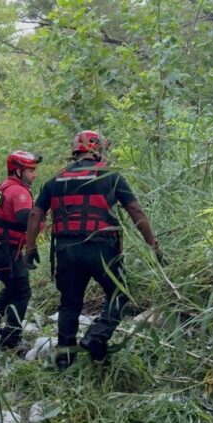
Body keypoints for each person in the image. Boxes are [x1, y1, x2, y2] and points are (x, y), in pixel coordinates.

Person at [25, 130, 162, 369]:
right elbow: (135, 211)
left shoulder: (55, 180)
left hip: (67, 250)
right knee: (120, 296)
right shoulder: (110, 176)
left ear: (75, 150)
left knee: (69, 304)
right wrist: (153, 245)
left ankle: (64, 359)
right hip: (102, 248)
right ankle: (96, 337)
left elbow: (36, 213)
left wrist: (30, 247)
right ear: (98, 149)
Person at [0, 150, 42, 350]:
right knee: (22, 292)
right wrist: (42, 220)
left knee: (13, 285)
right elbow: (27, 220)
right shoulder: (19, 192)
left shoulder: (2, 187)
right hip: (5, 252)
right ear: (18, 171)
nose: (34, 174)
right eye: (30, 170)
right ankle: (10, 340)